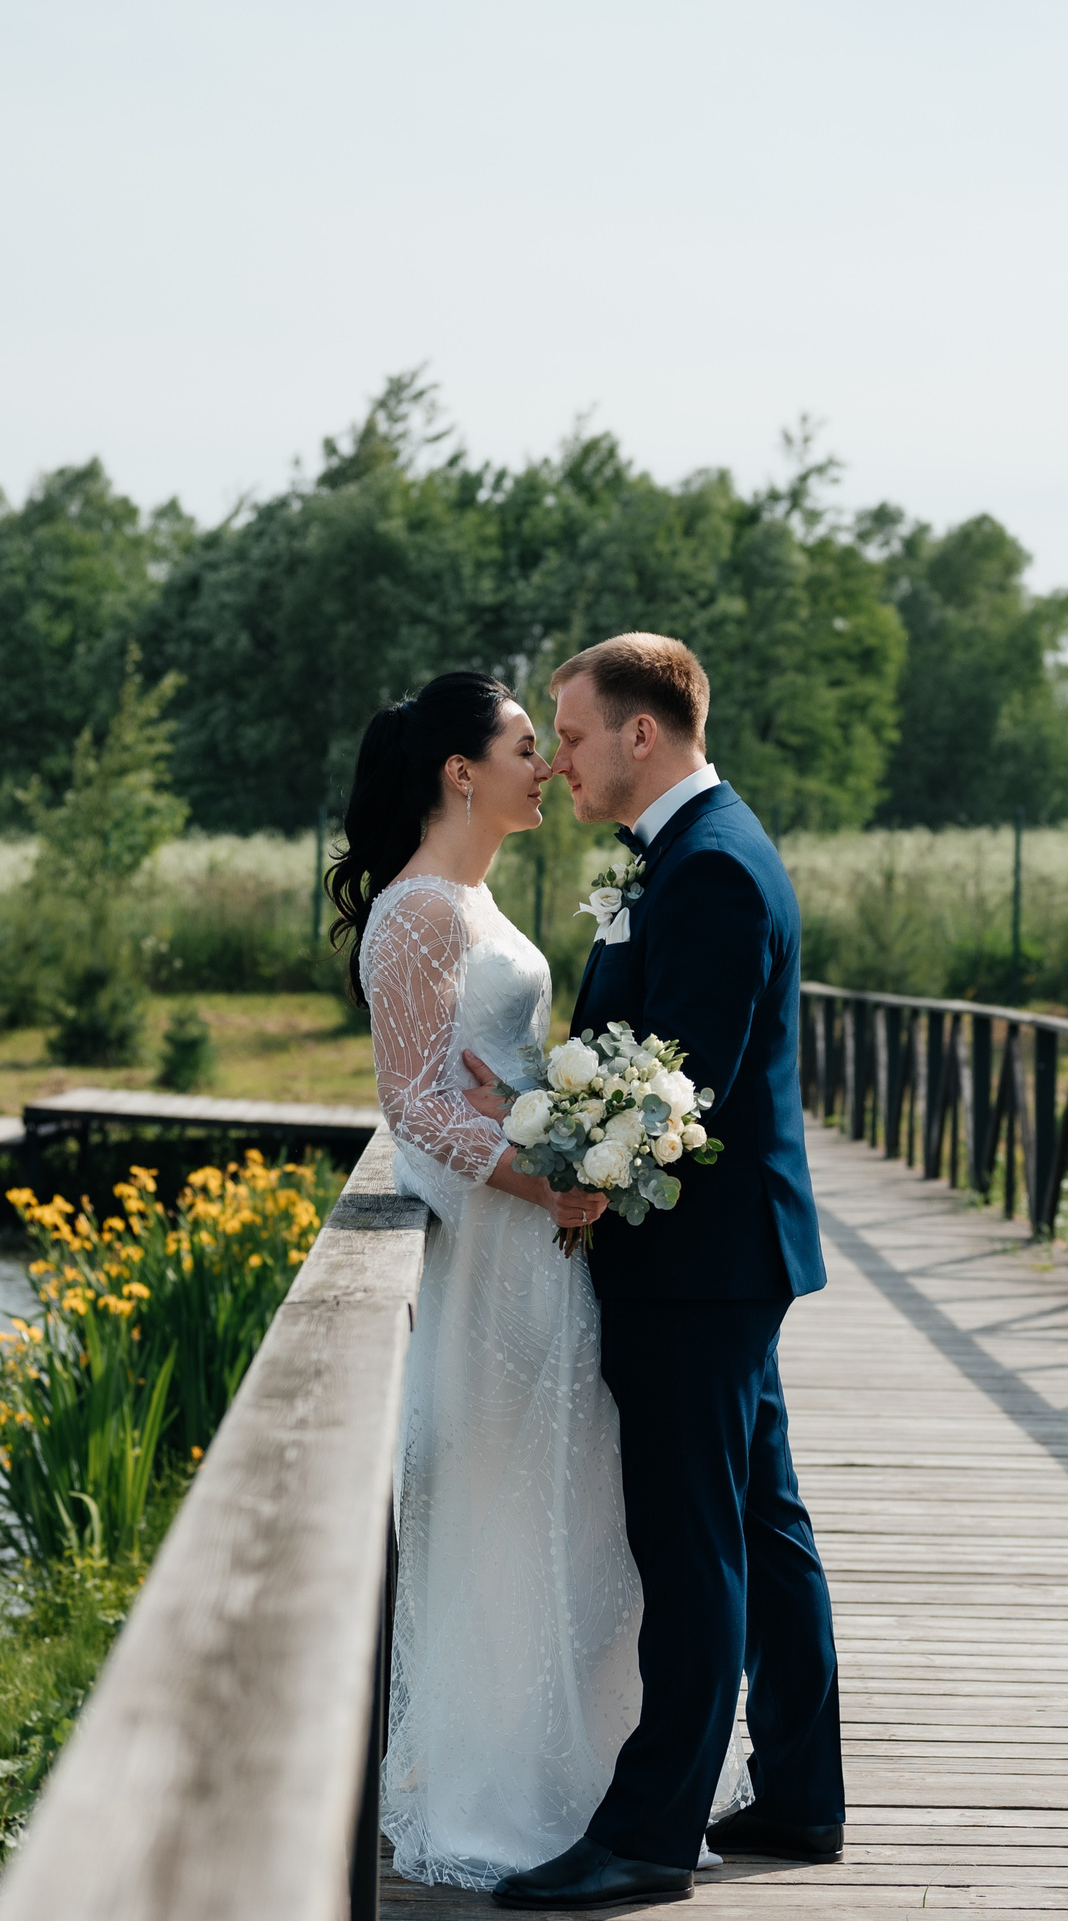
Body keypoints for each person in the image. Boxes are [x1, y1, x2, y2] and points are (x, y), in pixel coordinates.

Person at [329, 671, 740, 1894]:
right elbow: (411, 1104)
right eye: (526, 745)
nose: (548, 765)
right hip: (497, 1256)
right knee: (507, 1510)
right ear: (462, 773)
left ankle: (579, 1775)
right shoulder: (416, 911)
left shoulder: (473, 899)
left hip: (544, 1248)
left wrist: (544, 1127)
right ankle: (496, 1788)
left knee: (568, 1509)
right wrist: (540, 1179)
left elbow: (481, 1078)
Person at [473, 634, 844, 1911]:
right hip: (722, 1258)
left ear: (644, 732)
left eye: (574, 736)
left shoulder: (714, 868)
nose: (560, 761)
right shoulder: (681, 854)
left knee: (691, 1548)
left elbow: (678, 1096)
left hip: (697, 1263)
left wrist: (523, 1124)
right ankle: (799, 1793)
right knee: (759, 1524)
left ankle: (648, 1832)